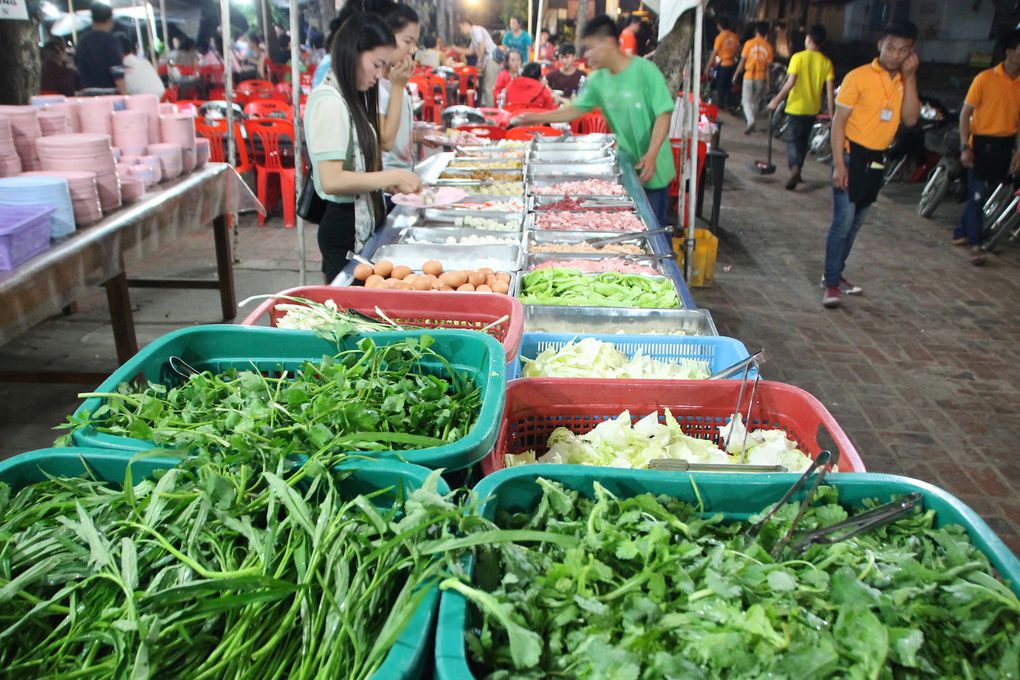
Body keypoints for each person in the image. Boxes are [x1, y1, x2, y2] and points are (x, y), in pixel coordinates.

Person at [513, 15, 674, 227]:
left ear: (608, 43)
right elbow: (575, 110)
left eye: (590, 48)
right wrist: (535, 117)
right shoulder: (598, 79)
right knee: (628, 224)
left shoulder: (645, 71)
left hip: (653, 167)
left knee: (655, 227)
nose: (586, 55)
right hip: (626, 163)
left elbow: (664, 113)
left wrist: (652, 155)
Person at [304, 13, 420, 282]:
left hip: (362, 220)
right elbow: (331, 180)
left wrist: (383, 183)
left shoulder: (349, 98)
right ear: (353, 53)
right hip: (344, 228)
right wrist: (390, 176)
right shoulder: (329, 102)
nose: (379, 74)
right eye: (376, 64)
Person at [822, 22, 920, 308]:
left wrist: (911, 78)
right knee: (843, 222)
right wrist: (839, 165)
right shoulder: (858, 77)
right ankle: (830, 283)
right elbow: (838, 122)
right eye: (890, 47)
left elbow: (912, 119)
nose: (895, 55)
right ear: (880, 45)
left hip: (878, 159)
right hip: (852, 156)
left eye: (903, 50)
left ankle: (836, 273)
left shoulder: (905, 81)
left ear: (911, 53)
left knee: (856, 224)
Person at [953, 30, 1020, 265]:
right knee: (978, 195)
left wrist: (1017, 152)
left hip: (1005, 145)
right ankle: (975, 243)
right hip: (980, 143)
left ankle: (960, 232)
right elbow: (965, 114)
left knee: (982, 194)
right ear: (1009, 51)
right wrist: (965, 146)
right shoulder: (985, 78)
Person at [768, 24, 835, 190]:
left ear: (809, 39)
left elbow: (790, 83)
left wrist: (776, 100)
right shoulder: (826, 63)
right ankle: (799, 169)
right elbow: (829, 92)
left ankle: (794, 168)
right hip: (812, 109)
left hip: (796, 107)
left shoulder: (798, 57)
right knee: (804, 142)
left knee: (792, 140)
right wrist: (833, 116)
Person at [75, 2, 125, 94]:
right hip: (109, 95)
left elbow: (78, 68)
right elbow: (117, 71)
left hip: (87, 94)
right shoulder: (110, 40)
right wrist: (125, 95)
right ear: (109, 19)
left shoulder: (82, 41)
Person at [734, 21, 773, 134]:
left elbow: (742, 61)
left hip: (748, 75)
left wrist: (736, 74)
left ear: (756, 31)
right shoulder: (769, 47)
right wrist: (768, 84)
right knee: (755, 101)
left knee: (745, 101)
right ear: (767, 32)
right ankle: (752, 121)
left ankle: (750, 121)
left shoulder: (748, 44)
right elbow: (768, 69)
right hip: (760, 77)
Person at [453, 18, 498, 107]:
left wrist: (479, 60)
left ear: (465, 24)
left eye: (461, 28)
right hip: (488, 60)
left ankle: (491, 112)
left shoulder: (475, 30)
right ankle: (487, 109)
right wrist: (456, 49)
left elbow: (481, 45)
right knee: (486, 87)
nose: (461, 31)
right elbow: (470, 51)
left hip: (491, 59)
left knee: (489, 88)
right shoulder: (473, 34)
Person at [704, 16, 739, 110]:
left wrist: (707, 67)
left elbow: (714, 53)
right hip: (733, 64)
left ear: (719, 26)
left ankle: (721, 105)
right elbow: (738, 51)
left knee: (721, 85)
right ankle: (730, 104)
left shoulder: (719, 38)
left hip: (724, 65)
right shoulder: (735, 36)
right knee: (729, 85)